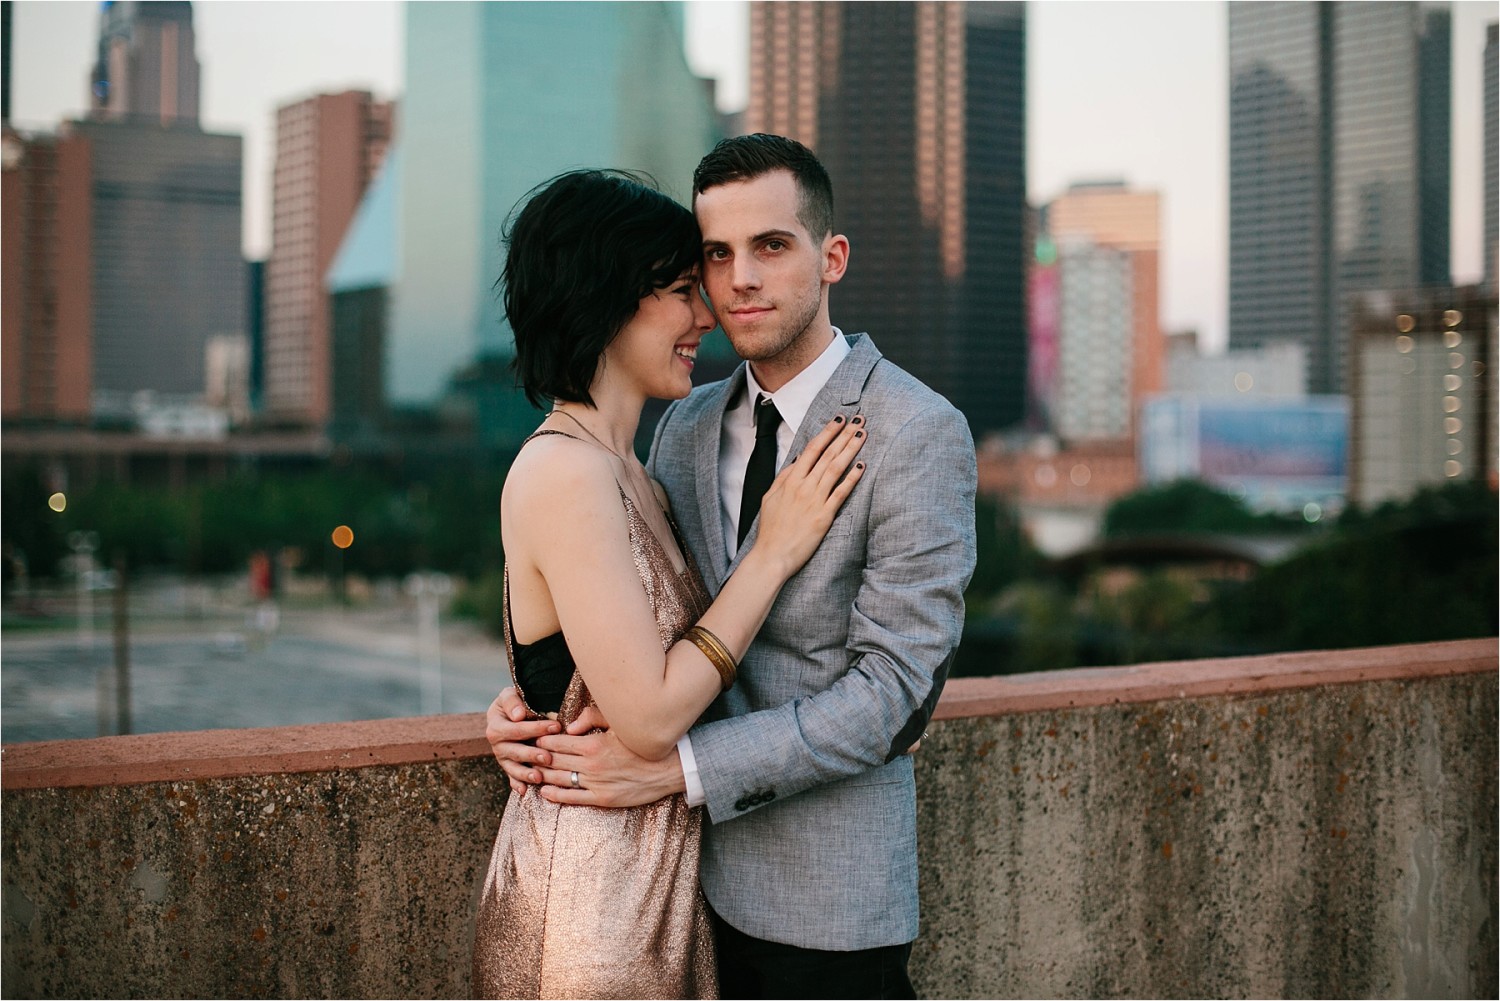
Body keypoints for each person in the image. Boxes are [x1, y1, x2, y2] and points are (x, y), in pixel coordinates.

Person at [486, 134, 978, 999]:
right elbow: (623, 618)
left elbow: (896, 692)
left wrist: (683, 769)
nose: (738, 280)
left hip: (821, 904)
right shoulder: (680, 427)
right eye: (714, 257)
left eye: (772, 246)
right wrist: (538, 698)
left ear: (831, 258)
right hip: (670, 892)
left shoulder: (916, 429)